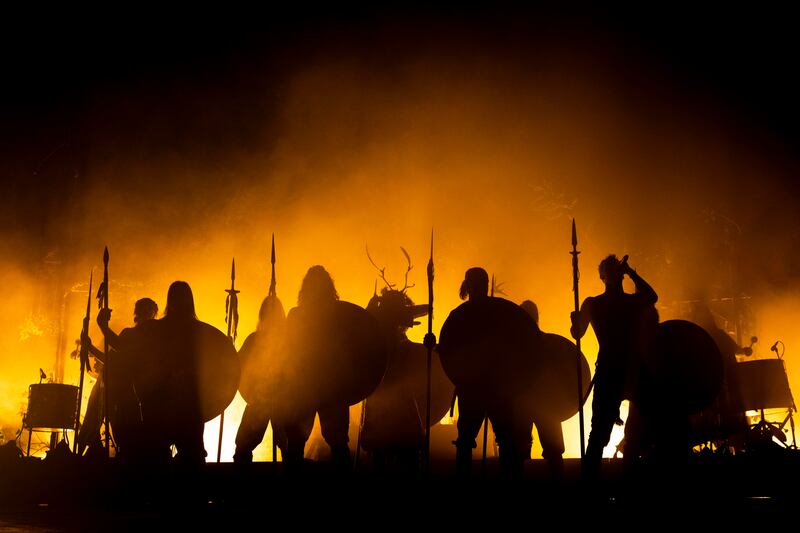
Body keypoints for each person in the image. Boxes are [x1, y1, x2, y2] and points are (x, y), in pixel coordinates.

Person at [570, 255, 658, 477]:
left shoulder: (605, 303)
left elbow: (652, 297)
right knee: (599, 433)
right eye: (613, 270)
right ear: (604, 277)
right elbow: (577, 333)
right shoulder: (599, 304)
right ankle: (590, 480)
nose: (615, 273)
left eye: (616, 270)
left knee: (650, 424)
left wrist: (630, 272)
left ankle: (595, 479)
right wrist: (575, 321)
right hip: (621, 369)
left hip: (624, 369)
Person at [78, 298, 158, 457]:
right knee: (92, 428)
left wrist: (102, 325)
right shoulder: (129, 333)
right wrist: (90, 347)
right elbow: (111, 360)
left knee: (124, 436)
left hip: (126, 393)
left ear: (153, 315)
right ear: (137, 312)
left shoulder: (148, 338)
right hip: (108, 389)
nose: (145, 313)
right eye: (143, 309)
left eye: (149, 310)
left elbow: (120, 345)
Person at [233, 294, 288, 463]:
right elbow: (239, 366)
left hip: (271, 401)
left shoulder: (256, 340)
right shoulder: (287, 341)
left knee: (243, 448)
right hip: (267, 400)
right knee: (289, 448)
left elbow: (238, 366)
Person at [520, 299, 566, 479]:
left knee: (525, 448)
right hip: (540, 402)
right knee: (548, 450)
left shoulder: (517, 346)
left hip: (537, 402)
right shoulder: (546, 343)